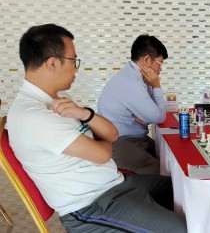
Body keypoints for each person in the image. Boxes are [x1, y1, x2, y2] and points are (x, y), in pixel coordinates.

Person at [7, 24, 187, 232]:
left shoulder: (58, 100)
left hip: (116, 185)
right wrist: (101, 135)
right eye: (74, 60)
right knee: (179, 229)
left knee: (186, 192)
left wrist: (86, 114)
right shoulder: (33, 116)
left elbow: (112, 133)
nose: (76, 68)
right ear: (53, 63)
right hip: (92, 206)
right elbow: (103, 152)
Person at [97, 34, 168, 174]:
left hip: (134, 138)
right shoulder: (131, 83)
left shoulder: (135, 76)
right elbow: (159, 116)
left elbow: (153, 111)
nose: (160, 70)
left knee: (169, 158)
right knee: (163, 171)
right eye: (160, 64)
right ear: (147, 60)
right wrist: (156, 85)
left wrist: (147, 116)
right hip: (121, 143)